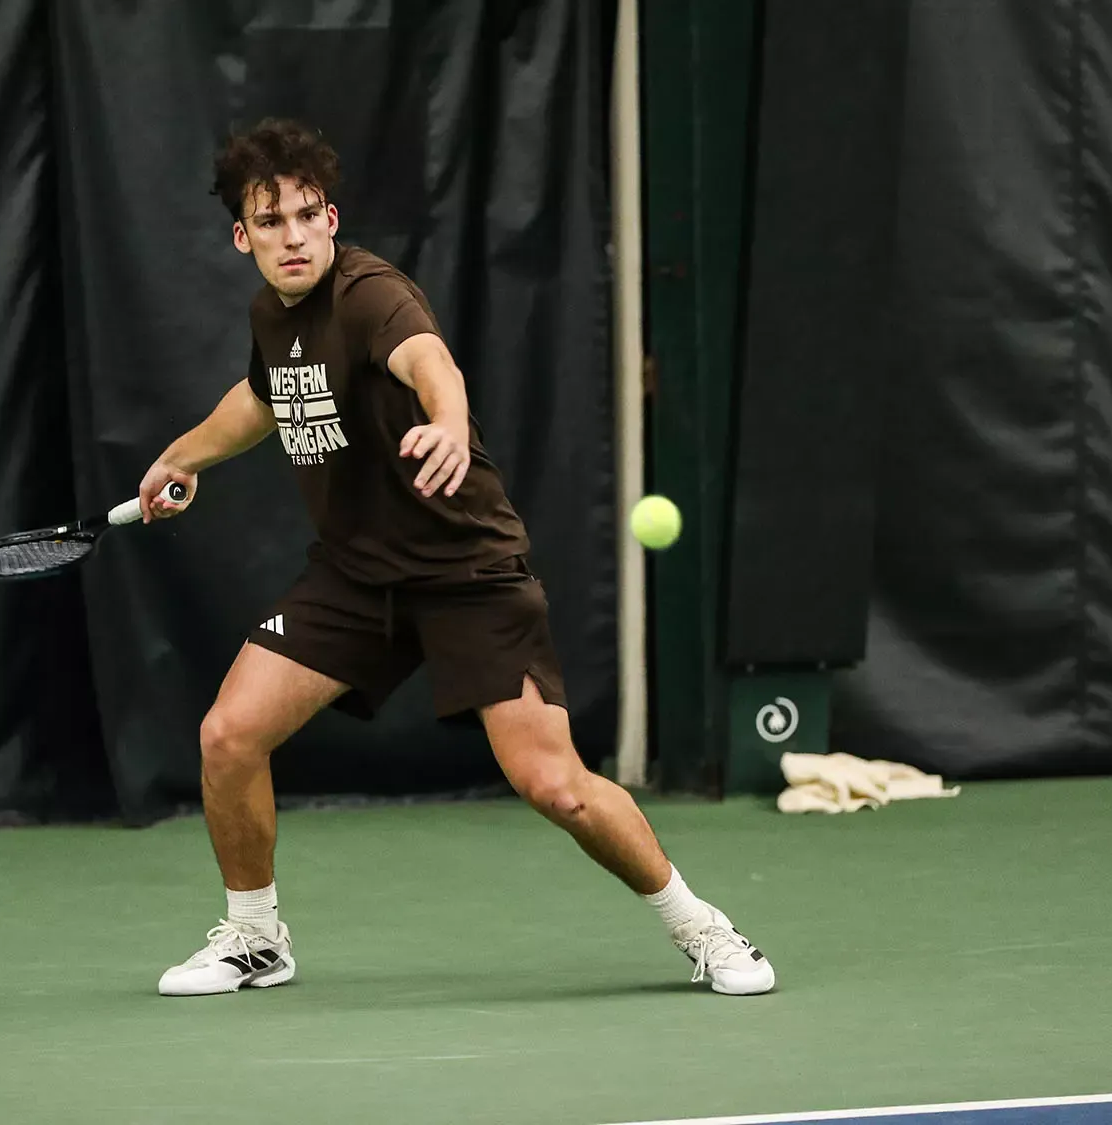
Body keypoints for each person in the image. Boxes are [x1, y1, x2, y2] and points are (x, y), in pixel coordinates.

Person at [135, 118, 774, 999]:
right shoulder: (271, 316)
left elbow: (428, 358)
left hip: (465, 574)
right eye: (270, 220)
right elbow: (261, 398)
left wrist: (444, 417)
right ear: (242, 236)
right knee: (229, 735)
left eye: (306, 215)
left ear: (331, 218)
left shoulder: (371, 296)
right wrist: (181, 457)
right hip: (355, 576)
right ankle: (255, 939)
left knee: (556, 786)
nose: (291, 236)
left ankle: (701, 924)